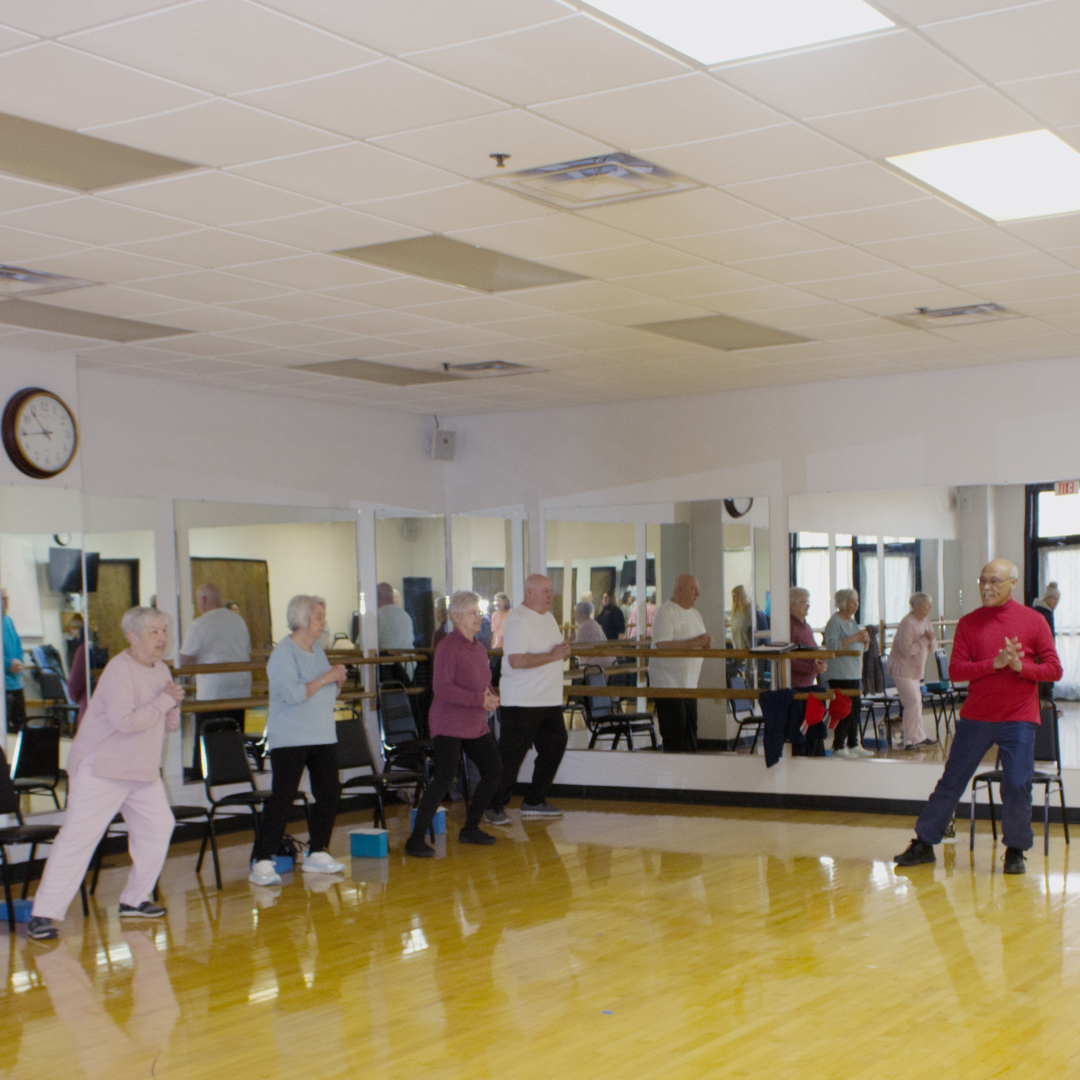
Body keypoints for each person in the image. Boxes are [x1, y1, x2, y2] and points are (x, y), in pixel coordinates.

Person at [894, 559, 1061, 875]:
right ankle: (925, 843)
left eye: (995, 581)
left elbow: (1054, 669)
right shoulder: (970, 623)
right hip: (976, 718)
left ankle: (1015, 850)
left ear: (1012, 583)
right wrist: (993, 664)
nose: (986, 587)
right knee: (952, 780)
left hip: (1019, 718)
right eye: (982, 580)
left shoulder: (1034, 621)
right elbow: (956, 670)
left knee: (1016, 783)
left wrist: (1020, 668)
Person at [27, 607, 184, 941]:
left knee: (160, 825)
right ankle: (42, 913)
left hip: (139, 769)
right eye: (154, 632)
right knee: (79, 837)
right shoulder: (119, 670)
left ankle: (134, 899)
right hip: (102, 767)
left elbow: (166, 720)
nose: (162, 639)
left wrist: (173, 704)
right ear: (133, 636)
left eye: (164, 630)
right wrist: (163, 704)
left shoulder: (161, 670)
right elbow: (126, 722)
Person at [249, 595, 348, 887]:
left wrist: (336, 682)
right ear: (302, 619)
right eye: (318, 616)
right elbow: (293, 694)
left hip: (322, 734)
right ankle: (262, 860)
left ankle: (317, 851)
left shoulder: (318, 652)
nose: (323, 622)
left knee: (329, 792)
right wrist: (327, 678)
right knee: (283, 798)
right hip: (290, 737)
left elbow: (324, 693)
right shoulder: (284, 653)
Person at [405, 591, 502, 857]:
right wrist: (478, 700)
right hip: (447, 722)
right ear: (456, 617)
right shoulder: (447, 647)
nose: (478, 618)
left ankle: (470, 828)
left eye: (479, 612)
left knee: (493, 770)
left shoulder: (480, 648)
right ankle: (415, 839)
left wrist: (491, 698)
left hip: (473, 722)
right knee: (445, 776)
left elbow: (484, 684)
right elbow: (442, 688)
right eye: (473, 613)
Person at [485, 574, 570, 824]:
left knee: (555, 744)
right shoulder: (519, 620)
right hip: (522, 701)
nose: (549, 596)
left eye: (551, 591)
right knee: (511, 755)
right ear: (530, 593)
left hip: (547, 699)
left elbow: (552, 652)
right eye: (544, 591)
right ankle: (493, 805)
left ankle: (534, 800)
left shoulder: (549, 618)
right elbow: (516, 660)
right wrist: (553, 655)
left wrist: (562, 652)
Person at [179, 583, 252, 776]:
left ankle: (202, 773)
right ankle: (235, 772)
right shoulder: (238, 621)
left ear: (203, 599)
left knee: (207, 734)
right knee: (234, 733)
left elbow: (184, 662)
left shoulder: (200, 624)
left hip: (213, 690)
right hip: (240, 688)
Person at [650, 575, 713, 753]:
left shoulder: (695, 614)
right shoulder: (665, 612)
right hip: (669, 685)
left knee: (690, 734)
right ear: (680, 590)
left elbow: (699, 643)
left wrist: (705, 643)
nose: (697, 594)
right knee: (675, 736)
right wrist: (697, 641)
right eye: (693, 589)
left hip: (689, 684)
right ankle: (675, 778)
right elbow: (663, 645)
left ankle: (689, 778)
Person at [823, 589, 872, 758]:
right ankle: (838, 745)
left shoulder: (852, 622)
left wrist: (865, 642)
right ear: (843, 603)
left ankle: (853, 743)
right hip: (840, 673)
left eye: (857, 601)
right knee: (845, 709)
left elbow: (859, 647)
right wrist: (855, 638)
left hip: (854, 672)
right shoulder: (835, 622)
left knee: (856, 708)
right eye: (853, 601)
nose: (856, 605)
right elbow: (832, 646)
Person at [887, 592, 938, 749]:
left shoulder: (925, 620)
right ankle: (908, 740)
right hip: (901, 669)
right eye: (926, 604)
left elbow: (932, 646)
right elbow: (905, 650)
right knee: (912, 702)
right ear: (916, 606)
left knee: (917, 702)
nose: (929, 607)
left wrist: (931, 640)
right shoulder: (907, 623)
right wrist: (924, 640)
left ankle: (919, 737)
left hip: (914, 670)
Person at [2, 588, 25, 733]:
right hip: (3, 685)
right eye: (2, 599)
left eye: (6, 599)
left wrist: (19, 661)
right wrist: (8, 664)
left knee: (21, 726)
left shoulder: (8, 620)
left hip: (16, 683)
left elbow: (17, 644)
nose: (5, 602)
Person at [1033, 582, 1059, 699]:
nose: (1056, 603)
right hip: (1042, 651)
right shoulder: (1044, 613)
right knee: (1045, 679)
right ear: (1048, 598)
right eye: (1055, 599)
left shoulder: (1041, 610)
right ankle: (1046, 706)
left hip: (1041, 650)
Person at [572, 601, 614, 669]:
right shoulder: (593, 622)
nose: (574, 616)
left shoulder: (584, 626)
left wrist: (570, 642)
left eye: (575, 613)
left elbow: (579, 647)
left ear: (581, 613)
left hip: (595, 665)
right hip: (605, 661)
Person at [377, 582, 415, 650]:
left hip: (388, 659)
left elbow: (360, 646)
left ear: (378, 595)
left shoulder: (377, 616)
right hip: (408, 659)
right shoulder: (406, 616)